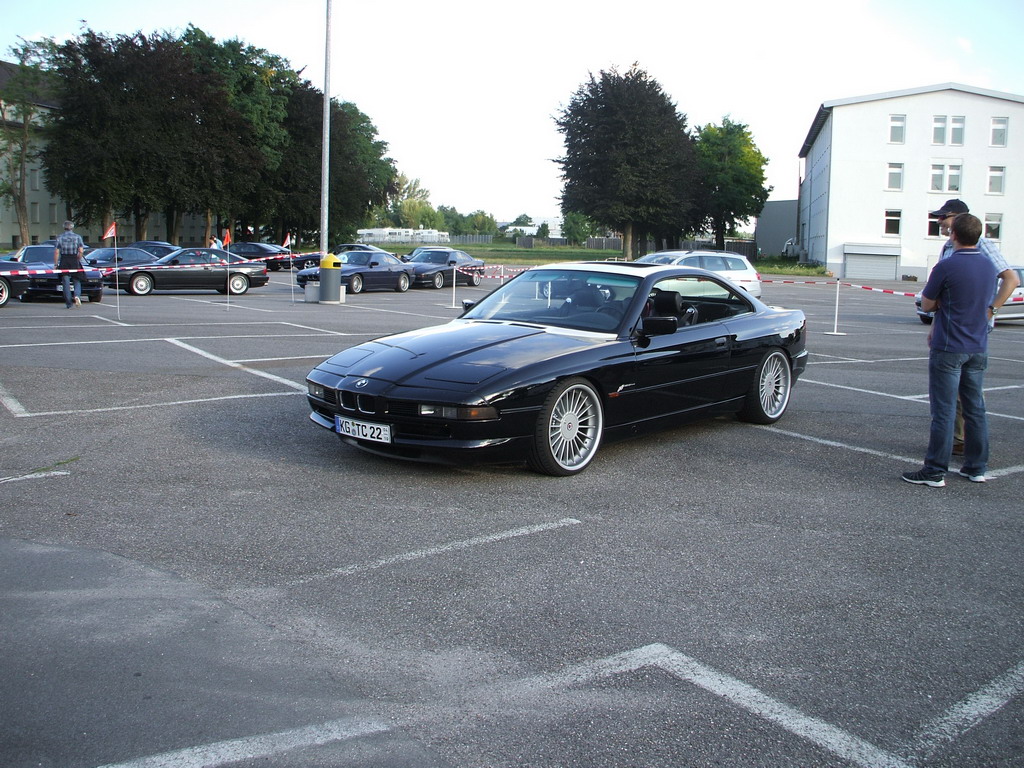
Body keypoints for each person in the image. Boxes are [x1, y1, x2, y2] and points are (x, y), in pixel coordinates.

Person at [903, 213, 998, 487]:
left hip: (949, 345)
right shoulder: (989, 266)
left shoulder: (946, 266)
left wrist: (942, 302)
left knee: (943, 411)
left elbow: (927, 303)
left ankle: (934, 470)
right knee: (975, 409)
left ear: (953, 234)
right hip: (978, 344)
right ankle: (976, 467)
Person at [930, 199, 1020, 454]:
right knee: (955, 392)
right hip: (948, 327)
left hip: (971, 329)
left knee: (967, 393)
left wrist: (992, 309)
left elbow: (1011, 279)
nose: (939, 222)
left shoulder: (982, 245)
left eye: (944, 217)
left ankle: (962, 447)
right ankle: (958, 441)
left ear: (959, 219)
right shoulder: (948, 247)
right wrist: (934, 326)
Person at [53, 220, 85, 309]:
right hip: (74, 259)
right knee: (77, 280)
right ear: (72, 227)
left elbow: (56, 252)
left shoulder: (60, 237)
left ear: (64, 227)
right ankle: (77, 295)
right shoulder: (78, 237)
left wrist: (55, 264)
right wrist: (78, 258)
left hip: (64, 260)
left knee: (65, 282)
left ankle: (69, 303)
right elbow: (81, 251)